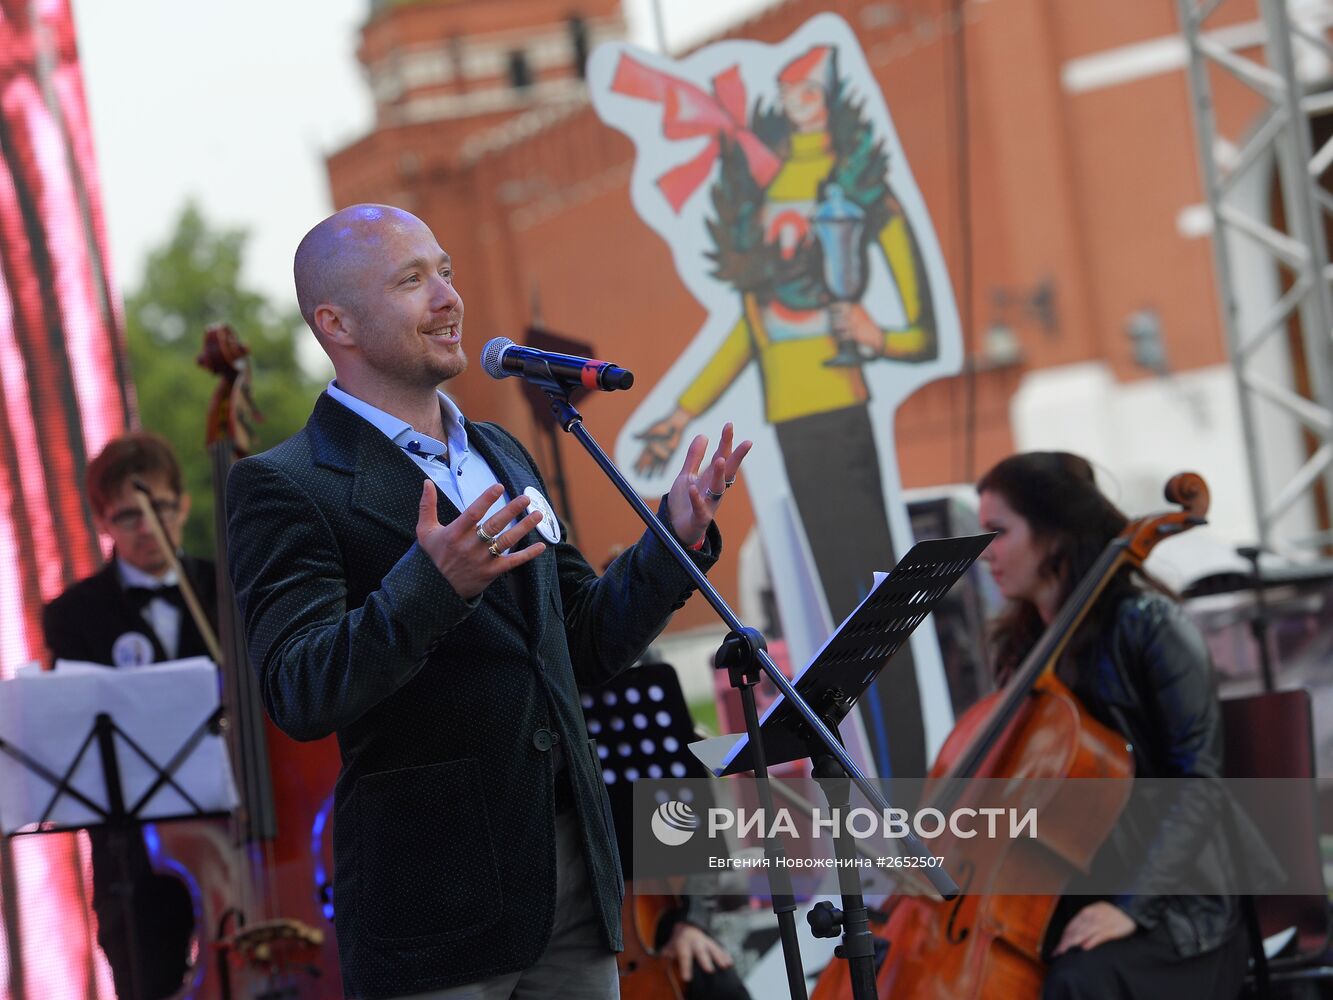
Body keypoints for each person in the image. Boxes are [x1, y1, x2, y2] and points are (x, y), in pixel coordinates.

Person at [224, 203, 750, 999]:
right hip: (436, 912)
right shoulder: (285, 484)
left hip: (570, 877)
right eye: (412, 280)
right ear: (337, 323)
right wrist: (433, 586)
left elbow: (580, 643)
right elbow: (298, 689)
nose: (447, 297)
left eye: (446, 271)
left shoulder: (500, 452)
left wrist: (669, 542)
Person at [620, 44, 940, 778]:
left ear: (830, 100)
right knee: (841, 623)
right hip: (789, 427)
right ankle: (879, 787)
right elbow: (750, 330)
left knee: (878, 615)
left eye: (811, 92)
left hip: (844, 414)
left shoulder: (864, 193)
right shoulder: (761, 201)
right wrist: (679, 411)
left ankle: (916, 783)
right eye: (789, 93)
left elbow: (919, 331)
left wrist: (878, 335)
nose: (800, 102)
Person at [975, 452, 1258, 999]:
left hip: (1177, 904)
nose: (986, 552)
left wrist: (1132, 905)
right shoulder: (1023, 648)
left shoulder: (1152, 626)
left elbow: (1198, 782)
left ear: (1054, 533)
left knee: (1077, 983)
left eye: (998, 531)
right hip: (1071, 891)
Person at [42, 431, 207, 999]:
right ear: (103, 522)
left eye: (160, 507)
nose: (148, 528)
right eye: (129, 515)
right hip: (132, 860)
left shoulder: (227, 590)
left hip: (238, 844)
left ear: (182, 503)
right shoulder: (72, 615)